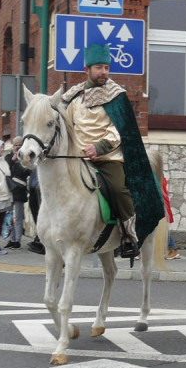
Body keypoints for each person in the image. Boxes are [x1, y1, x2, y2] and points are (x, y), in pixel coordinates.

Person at [62, 42, 163, 259]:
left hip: (108, 158)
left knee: (118, 188)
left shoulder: (116, 95)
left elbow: (120, 129)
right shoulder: (72, 97)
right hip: (76, 159)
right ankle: (47, 234)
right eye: (99, 67)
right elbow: (65, 127)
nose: (104, 72)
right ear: (86, 70)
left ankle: (129, 236)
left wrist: (98, 147)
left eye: (106, 67)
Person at [5, 136, 30, 249]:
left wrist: (22, 161)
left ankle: (17, 241)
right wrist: (13, 160)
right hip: (9, 191)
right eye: (16, 145)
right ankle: (11, 239)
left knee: (19, 217)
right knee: (9, 216)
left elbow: (27, 173)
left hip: (20, 191)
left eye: (19, 145)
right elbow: (5, 170)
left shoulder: (25, 158)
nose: (17, 146)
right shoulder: (8, 157)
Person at [25, 169, 44, 254]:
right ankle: (38, 238)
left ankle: (42, 242)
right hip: (33, 189)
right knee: (36, 216)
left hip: (39, 191)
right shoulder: (35, 162)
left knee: (41, 217)